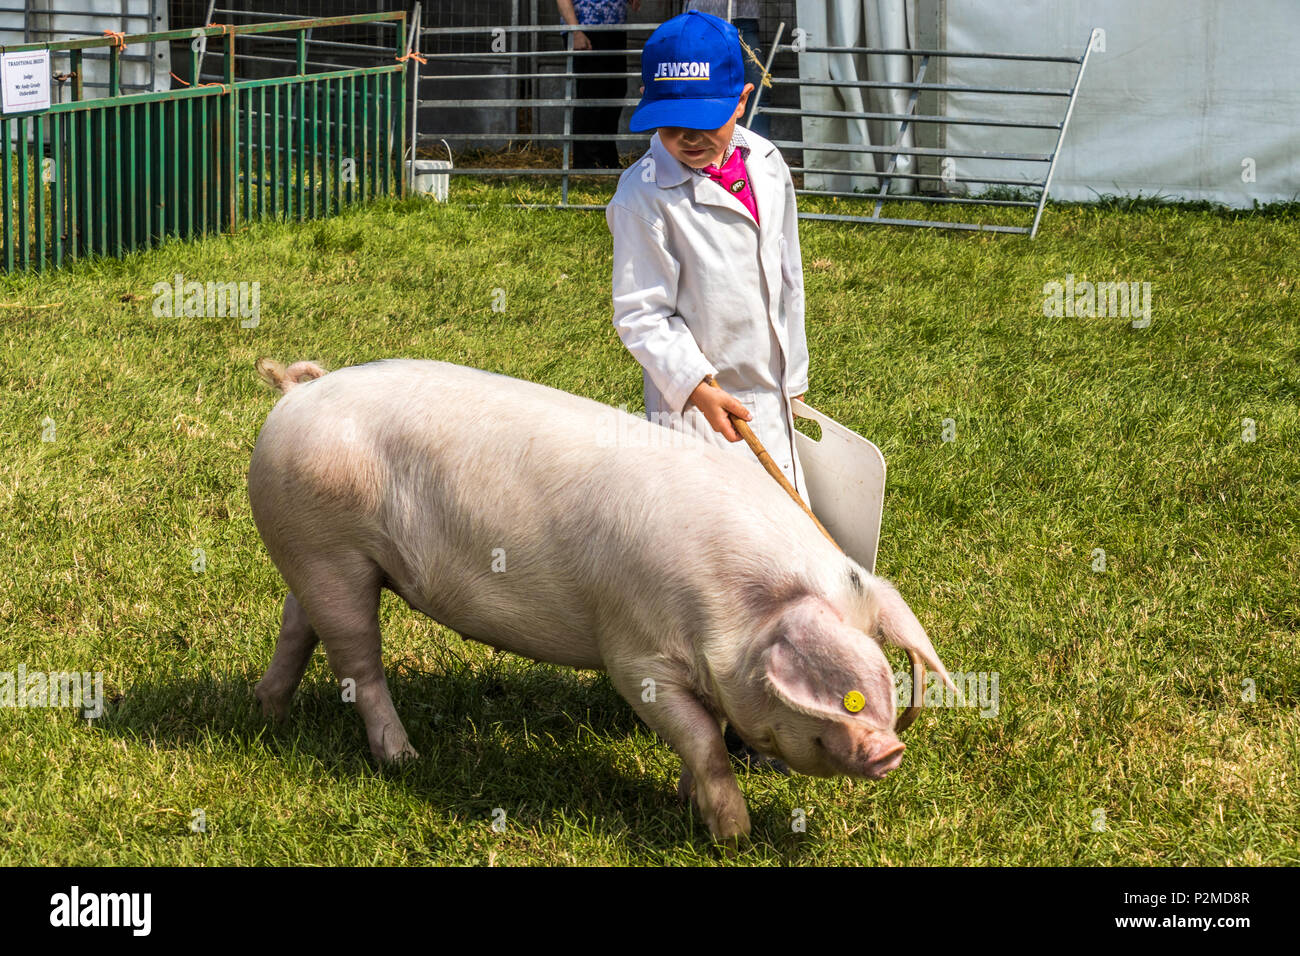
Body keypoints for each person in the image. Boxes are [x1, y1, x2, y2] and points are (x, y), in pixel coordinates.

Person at [606, 9, 809, 505]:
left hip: (773, 391)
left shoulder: (767, 163)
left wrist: (796, 377)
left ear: (741, 100)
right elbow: (642, 314)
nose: (689, 138)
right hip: (699, 406)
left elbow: (789, 275)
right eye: (672, 125)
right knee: (718, 542)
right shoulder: (644, 196)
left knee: (789, 525)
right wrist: (695, 387)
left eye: (702, 121)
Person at [556, 0, 641, 169]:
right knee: (591, 93)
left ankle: (607, 158)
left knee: (615, 91)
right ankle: (585, 161)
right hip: (586, 30)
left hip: (614, 29)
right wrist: (575, 31)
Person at [685, 0, 770, 137]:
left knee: (758, 85)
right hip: (704, 16)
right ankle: (701, 140)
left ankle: (758, 148)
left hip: (744, 18)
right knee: (701, 81)